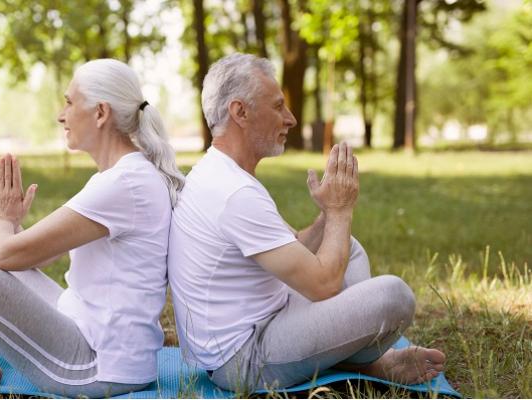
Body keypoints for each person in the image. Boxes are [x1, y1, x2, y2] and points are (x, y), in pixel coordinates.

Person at [0, 58, 184, 398]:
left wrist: (2, 221)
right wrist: (13, 229)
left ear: (101, 113)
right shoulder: (124, 177)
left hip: (96, 367)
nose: (61, 115)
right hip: (100, 345)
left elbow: (7, 254)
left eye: (70, 103)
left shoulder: (125, 183)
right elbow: (34, 257)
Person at [167, 53, 446, 393]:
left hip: (262, 323)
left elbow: (294, 246)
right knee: (394, 296)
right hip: (242, 361)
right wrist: (341, 210)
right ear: (240, 112)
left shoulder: (219, 173)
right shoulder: (233, 193)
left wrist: (328, 214)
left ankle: (354, 358)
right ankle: (367, 362)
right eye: (278, 106)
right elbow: (323, 286)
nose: (291, 119)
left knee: (349, 248)